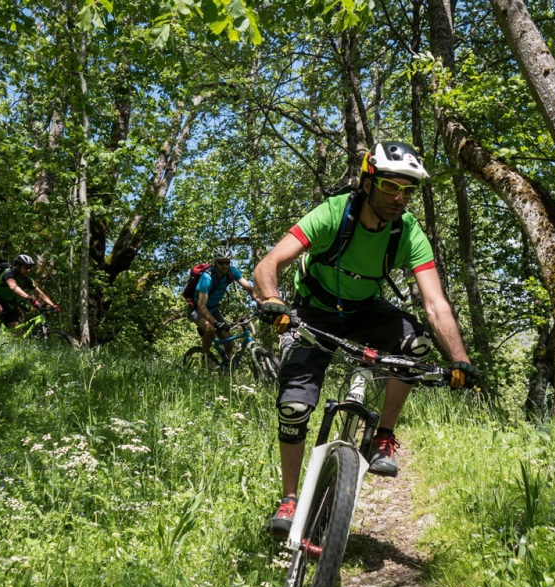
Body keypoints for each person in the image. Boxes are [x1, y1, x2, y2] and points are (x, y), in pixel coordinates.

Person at [253, 141, 481, 539]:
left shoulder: (406, 230)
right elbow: (267, 265)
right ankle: (290, 498)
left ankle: (383, 435)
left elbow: (435, 303)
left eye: (408, 191)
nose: (400, 198)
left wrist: (459, 358)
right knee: (294, 405)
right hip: (313, 309)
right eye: (392, 187)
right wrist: (273, 300)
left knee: (417, 346)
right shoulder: (333, 213)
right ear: (368, 182)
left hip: (364, 310)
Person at [189, 246, 256, 359]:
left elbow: (248, 288)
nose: (224, 266)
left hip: (213, 310)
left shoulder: (231, 271)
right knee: (210, 329)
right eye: (221, 263)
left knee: (229, 343)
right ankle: (205, 359)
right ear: (215, 262)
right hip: (196, 310)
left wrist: (261, 302)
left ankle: (227, 369)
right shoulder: (207, 278)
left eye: (227, 262)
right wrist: (215, 323)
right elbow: (201, 306)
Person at [0, 254, 60, 329]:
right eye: (26, 267)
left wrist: (53, 305)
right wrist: (29, 298)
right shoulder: (9, 273)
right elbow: (13, 287)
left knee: (16, 327)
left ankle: (10, 343)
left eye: (30, 268)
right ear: (18, 266)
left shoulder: (27, 279)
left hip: (6, 302)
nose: (28, 270)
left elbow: (40, 293)